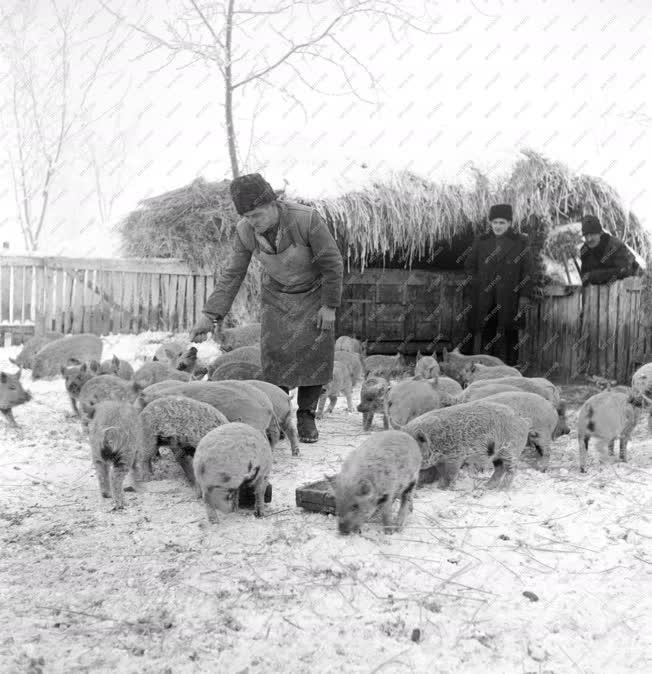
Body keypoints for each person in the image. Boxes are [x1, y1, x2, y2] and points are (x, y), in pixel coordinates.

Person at [189, 173, 343, 443]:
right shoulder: (245, 231)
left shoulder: (306, 219)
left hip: (314, 294)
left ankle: (306, 414)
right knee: (275, 355)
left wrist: (329, 306)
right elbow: (233, 273)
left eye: (257, 215)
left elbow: (332, 263)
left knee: (314, 352)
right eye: (247, 216)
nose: (252, 222)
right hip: (276, 295)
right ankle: (278, 412)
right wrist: (210, 314)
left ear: (274, 203)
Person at [464, 203, 533, 366]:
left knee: (510, 334)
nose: (498, 226)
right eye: (495, 222)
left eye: (502, 222)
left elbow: (528, 271)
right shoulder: (481, 241)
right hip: (486, 298)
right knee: (486, 333)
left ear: (509, 223)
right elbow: (469, 266)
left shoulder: (520, 242)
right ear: (490, 223)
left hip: (510, 298)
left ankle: (510, 370)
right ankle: (484, 370)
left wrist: (524, 296)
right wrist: (478, 284)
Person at [579, 215, 641, 285]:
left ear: (599, 233)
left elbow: (625, 270)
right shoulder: (584, 250)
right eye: (586, 235)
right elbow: (584, 276)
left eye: (592, 234)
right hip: (598, 291)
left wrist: (597, 275)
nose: (589, 239)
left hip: (626, 287)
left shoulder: (615, 246)